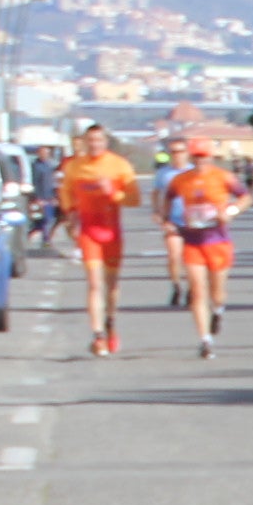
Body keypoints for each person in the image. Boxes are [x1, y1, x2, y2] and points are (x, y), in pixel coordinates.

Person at [57, 124, 140, 356]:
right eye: (90, 140)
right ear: (84, 142)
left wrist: (113, 193)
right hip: (88, 232)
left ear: (105, 142)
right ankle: (98, 335)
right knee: (94, 283)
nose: (94, 145)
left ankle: (110, 322)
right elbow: (66, 193)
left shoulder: (119, 165)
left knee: (111, 284)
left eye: (99, 140)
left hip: (111, 232)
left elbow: (134, 199)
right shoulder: (75, 166)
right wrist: (71, 214)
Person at [165, 141, 246, 357]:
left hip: (218, 241)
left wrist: (231, 211)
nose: (201, 161)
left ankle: (218, 310)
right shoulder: (181, 180)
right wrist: (167, 220)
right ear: (192, 158)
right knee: (198, 291)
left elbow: (245, 196)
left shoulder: (223, 177)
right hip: (193, 241)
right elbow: (168, 197)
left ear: (211, 157)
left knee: (217, 293)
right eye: (197, 157)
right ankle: (205, 340)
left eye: (205, 157)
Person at [149, 140, 188, 308]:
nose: (176, 155)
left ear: (187, 153)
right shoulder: (164, 173)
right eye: (173, 152)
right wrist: (157, 212)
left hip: (194, 222)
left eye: (180, 151)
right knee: (174, 255)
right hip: (172, 220)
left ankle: (193, 288)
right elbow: (156, 193)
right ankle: (176, 286)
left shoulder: (193, 172)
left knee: (191, 259)